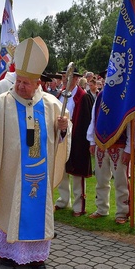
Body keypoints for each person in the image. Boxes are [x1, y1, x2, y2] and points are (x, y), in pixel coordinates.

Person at [0, 36, 70, 269]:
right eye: (19, 81)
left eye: (26, 83)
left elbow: (61, 139)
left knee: (36, 210)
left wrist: (63, 130)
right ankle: (7, 252)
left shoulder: (52, 105)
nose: (20, 86)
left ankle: (36, 257)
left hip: (39, 172)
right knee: (9, 205)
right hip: (10, 171)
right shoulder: (3, 102)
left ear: (38, 82)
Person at [86, 92, 135, 223]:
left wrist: (128, 149)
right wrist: (92, 140)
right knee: (101, 179)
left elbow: (131, 125)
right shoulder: (100, 96)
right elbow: (94, 118)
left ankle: (122, 212)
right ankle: (101, 208)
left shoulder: (126, 96)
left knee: (121, 181)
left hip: (120, 144)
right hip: (101, 143)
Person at [54, 67, 94, 217]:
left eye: (69, 77)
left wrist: (86, 142)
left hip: (77, 139)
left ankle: (79, 206)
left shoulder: (83, 97)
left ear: (76, 79)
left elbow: (86, 121)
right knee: (62, 171)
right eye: (64, 76)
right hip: (61, 138)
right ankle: (64, 200)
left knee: (77, 174)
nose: (65, 79)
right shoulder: (60, 94)